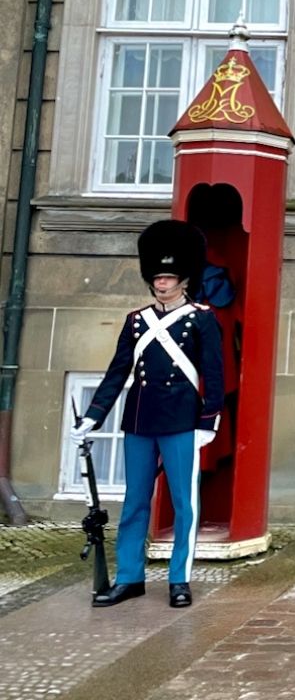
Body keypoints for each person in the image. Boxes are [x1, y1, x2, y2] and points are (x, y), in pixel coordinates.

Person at [69, 220, 224, 609]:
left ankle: (178, 579)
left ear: (184, 279)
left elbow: (215, 374)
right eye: (158, 276)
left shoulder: (202, 318)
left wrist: (208, 422)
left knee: (183, 502)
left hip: (180, 423)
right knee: (135, 500)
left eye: (170, 277)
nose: (162, 283)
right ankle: (130, 577)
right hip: (139, 420)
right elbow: (117, 371)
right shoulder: (136, 321)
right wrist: (93, 416)